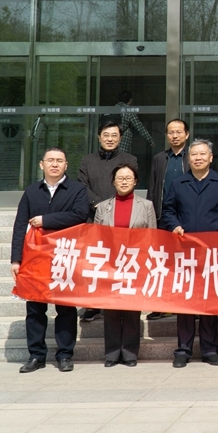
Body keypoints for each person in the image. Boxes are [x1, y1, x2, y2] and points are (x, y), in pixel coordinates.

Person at [11, 147, 90, 373]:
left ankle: (65, 355)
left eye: (59, 161)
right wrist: (16, 259)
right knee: (35, 308)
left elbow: (79, 215)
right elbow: (20, 226)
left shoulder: (77, 189)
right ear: (41, 164)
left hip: (64, 256)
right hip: (35, 259)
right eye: (50, 160)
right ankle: (36, 355)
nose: (55, 164)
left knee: (65, 308)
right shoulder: (31, 191)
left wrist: (46, 220)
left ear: (66, 165)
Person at [161, 138, 218, 368]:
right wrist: (175, 225)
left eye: (203, 154)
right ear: (188, 158)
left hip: (212, 254)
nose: (198, 158)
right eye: (194, 154)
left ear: (211, 158)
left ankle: (210, 349)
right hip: (184, 253)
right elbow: (168, 210)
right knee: (185, 303)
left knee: (209, 302)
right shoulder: (178, 183)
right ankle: (183, 349)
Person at [93, 163, 156, 367]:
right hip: (110, 264)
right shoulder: (103, 207)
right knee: (111, 310)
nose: (124, 181)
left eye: (128, 178)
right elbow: (96, 236)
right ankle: (112, 353)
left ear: (135, 181)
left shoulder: (146, 206)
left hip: (135, 264)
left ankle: (129, 353)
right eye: (120, 178)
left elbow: (152, 236)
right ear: (113, 182)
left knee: (131, 309)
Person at [77, 120, 138, 322]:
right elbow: (82, 186)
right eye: (106, 135)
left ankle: (120, 300)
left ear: (120, 138)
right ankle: (93, 304)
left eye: (114, 135)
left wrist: (112, 206)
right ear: (99, 137)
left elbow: (128, 184)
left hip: (122, 217)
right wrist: (100, 205)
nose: (110, 139)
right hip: (94, 216)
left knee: (121, 261)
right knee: (95, 262)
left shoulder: (129, 159)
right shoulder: (87, 160)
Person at [145, 118, 190, 321]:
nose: (175, 135)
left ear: (187, 134)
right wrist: (151, 216)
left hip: (187, 218)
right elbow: (153, 188)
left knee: (187, 263)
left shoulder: (193, 156)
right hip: (163, 217)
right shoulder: (159, 158)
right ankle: (162, 305)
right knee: (163, 263)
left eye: (179, 132)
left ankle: (188, 304)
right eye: (171, 132)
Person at [115, 90, 154, 155]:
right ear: (130, 100)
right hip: (123, 143)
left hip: (111, 143)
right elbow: (139, 126)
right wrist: (150, 139)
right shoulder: (128, 110)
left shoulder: (113, 109)